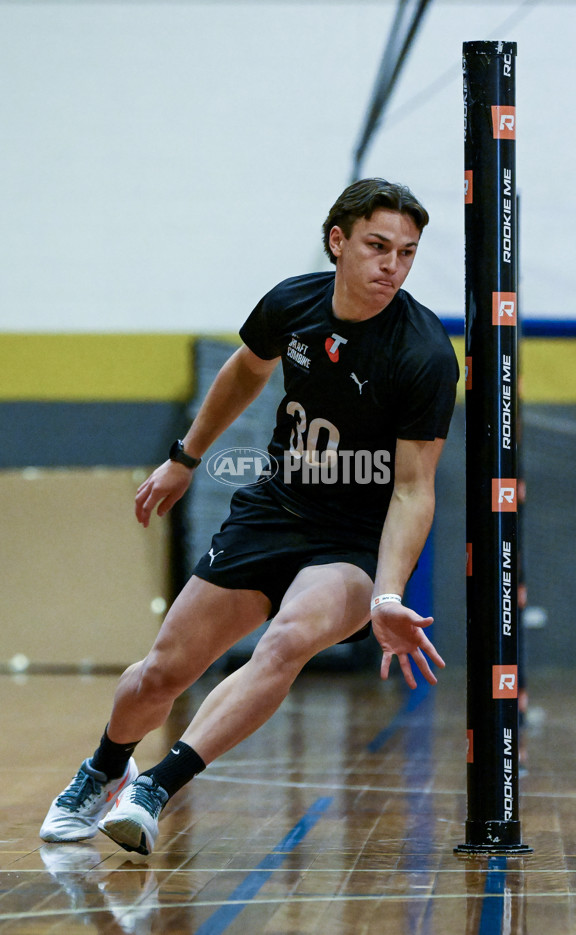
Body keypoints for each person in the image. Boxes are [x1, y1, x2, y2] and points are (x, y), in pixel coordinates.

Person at [40, 178, 459, 857]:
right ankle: (105, 769)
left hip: (353, 540)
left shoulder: (424, 353)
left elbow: (414, 490)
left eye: (407, 253)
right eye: (378, 246)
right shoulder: (293, 302)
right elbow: (244, 370)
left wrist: (387, 592)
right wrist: (185, 457)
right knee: (162, 674)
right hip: (275, 509)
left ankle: (155, 789)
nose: (392, 266)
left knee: (288, 639)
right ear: (338, 242)